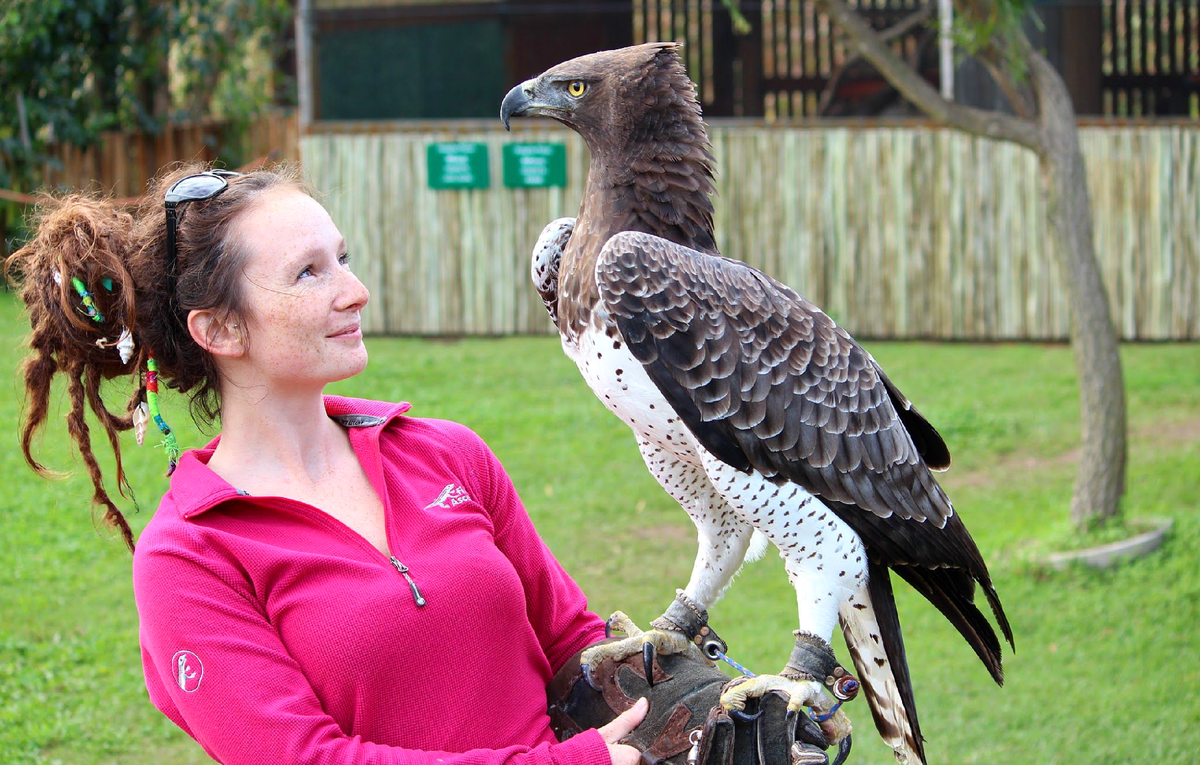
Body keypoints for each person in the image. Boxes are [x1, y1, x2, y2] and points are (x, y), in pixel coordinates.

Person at [7, 163, 650, 765]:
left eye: (341, 258)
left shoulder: (447, 453)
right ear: (221, 331)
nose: (356, 292)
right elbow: (307, 758)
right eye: (309, 273)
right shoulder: (189, 555)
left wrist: (661, 695)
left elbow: (571, 638)